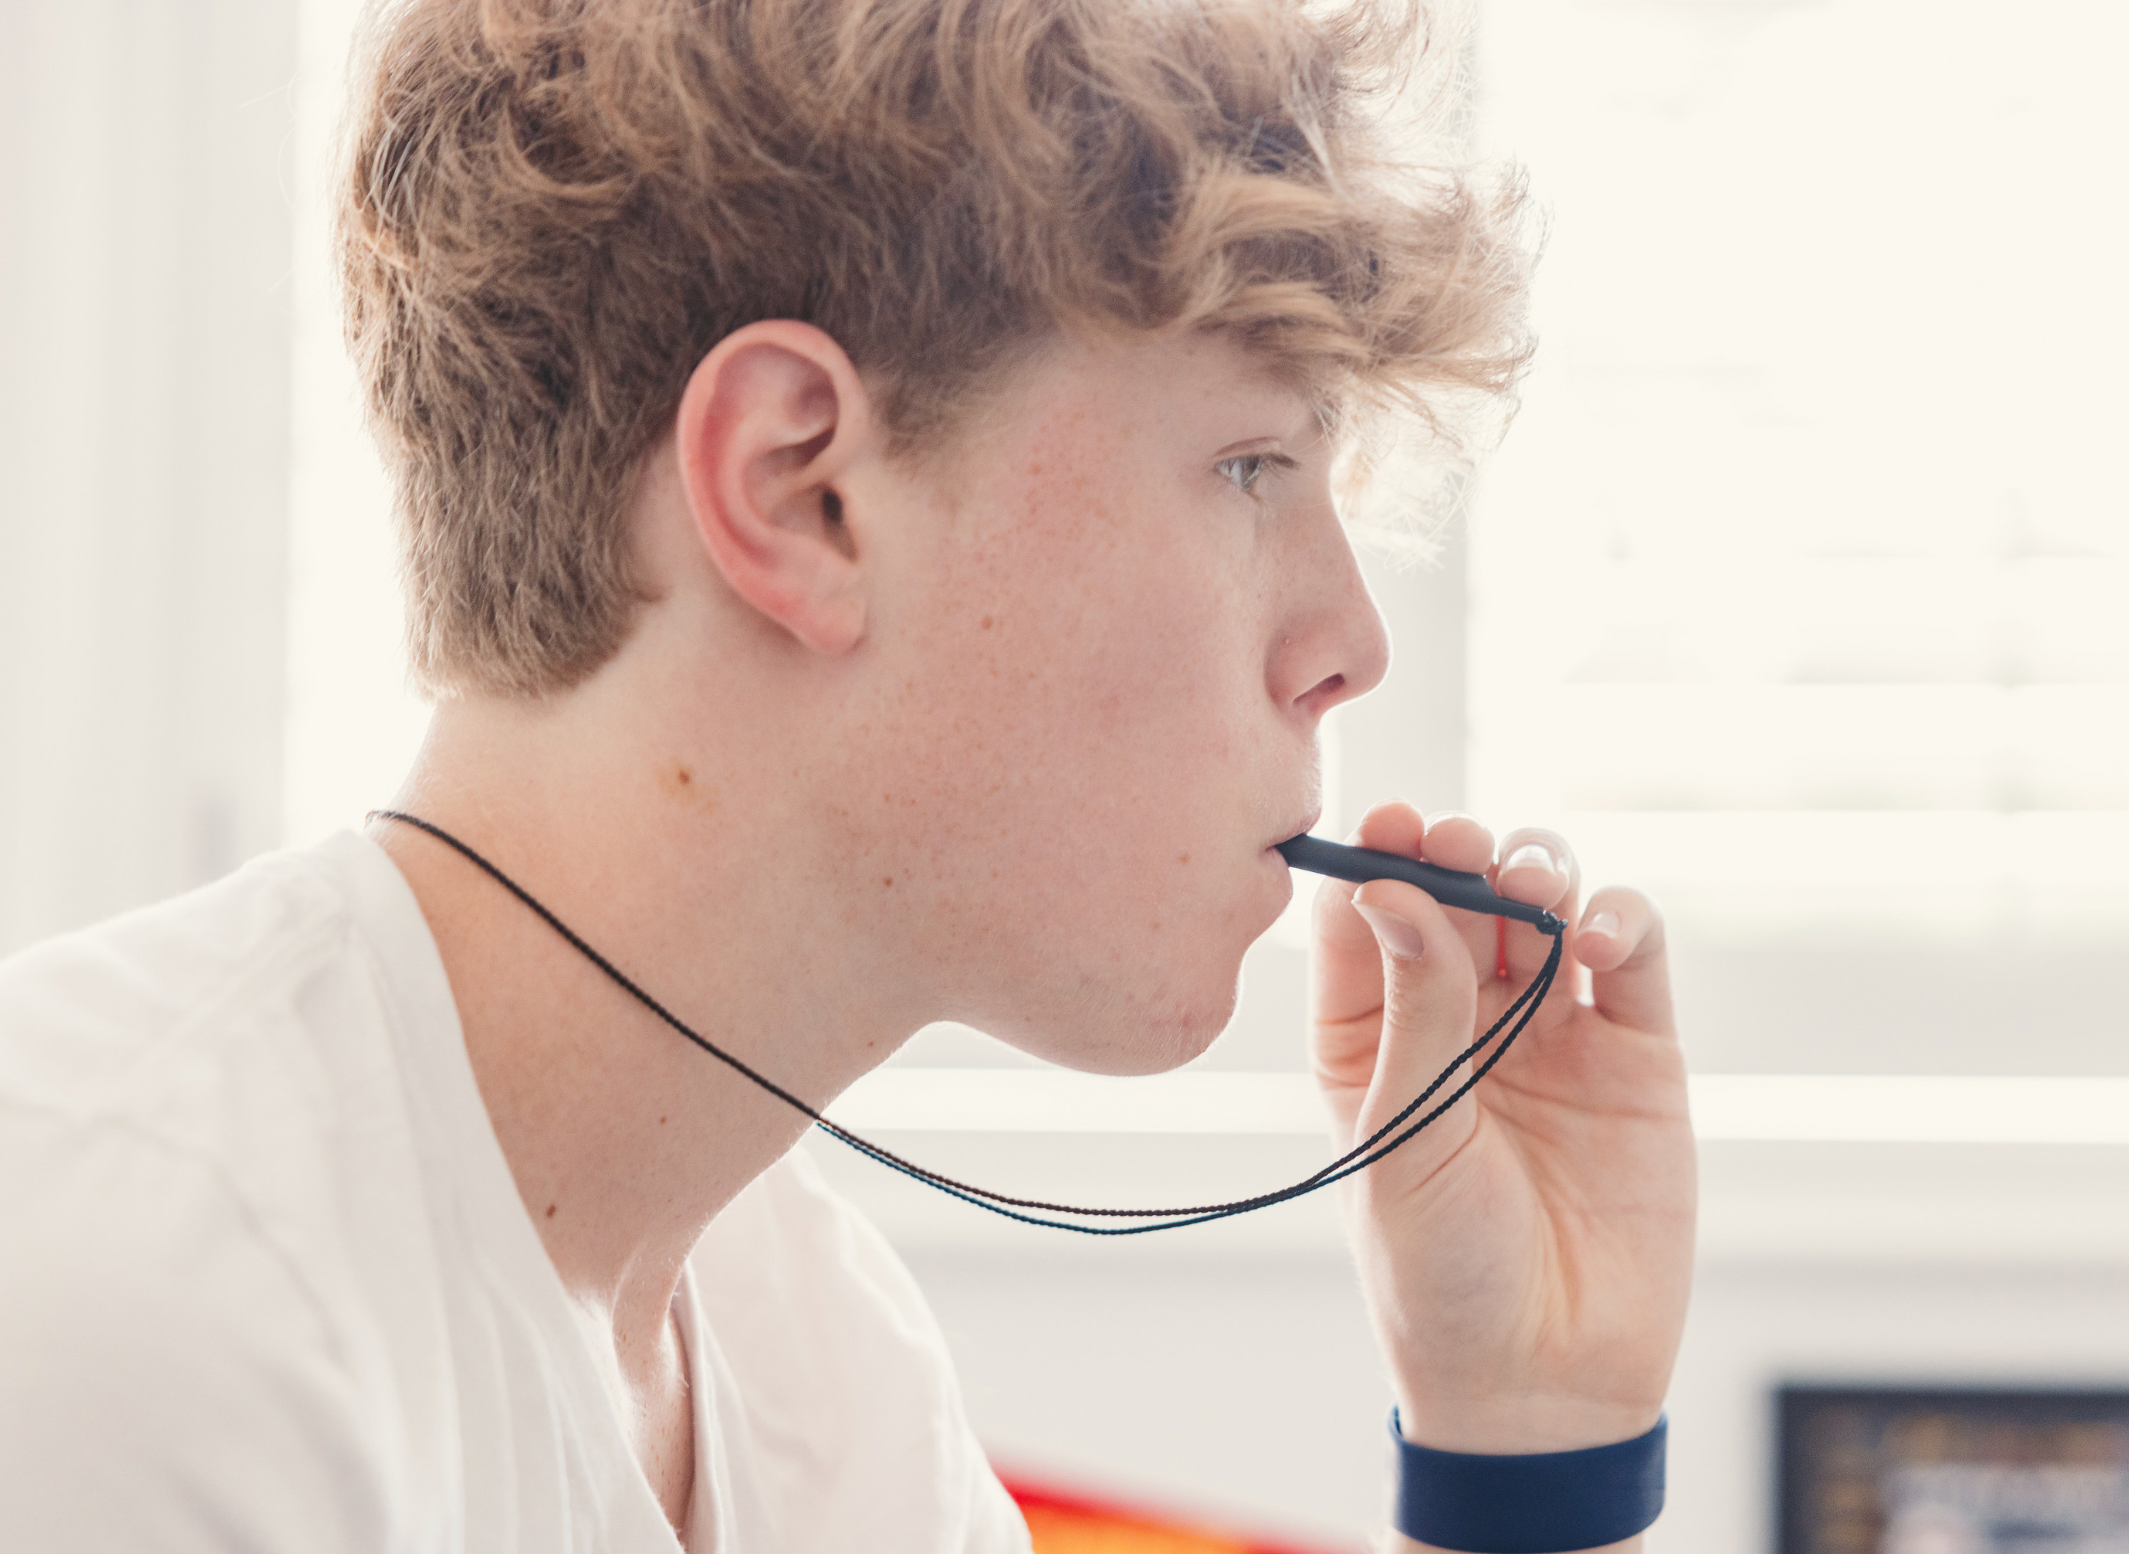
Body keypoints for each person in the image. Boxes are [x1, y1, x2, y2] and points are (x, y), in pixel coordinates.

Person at [0, 0, 1696, 1548]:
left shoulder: (818, 1362)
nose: (1350, 644)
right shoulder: (121, 1293)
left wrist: (1528, 1443)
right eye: (1251, 462)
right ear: (801, 490)